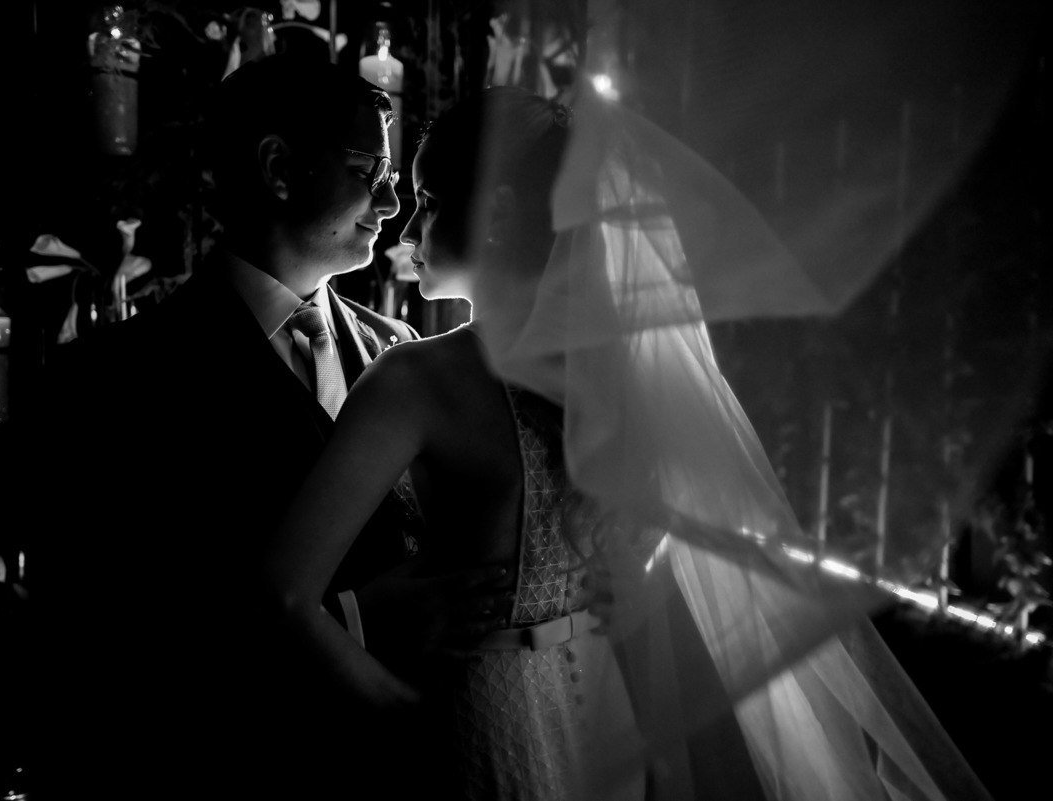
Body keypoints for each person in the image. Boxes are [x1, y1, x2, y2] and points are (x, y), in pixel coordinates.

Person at [262, 85, 996, 801]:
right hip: (606, 720)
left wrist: (392, 711)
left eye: (428, 200)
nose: (406, 231)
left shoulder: (417, 379)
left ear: (497, 215)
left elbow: (282, 592)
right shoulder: (625, 377)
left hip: (477, 721)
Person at [33, 55, 510, 799]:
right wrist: (356, 620)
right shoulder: (110, 380)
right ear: (280, 168)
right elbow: (107, 640)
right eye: (370, 172)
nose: (392, 205)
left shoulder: (399, 351)